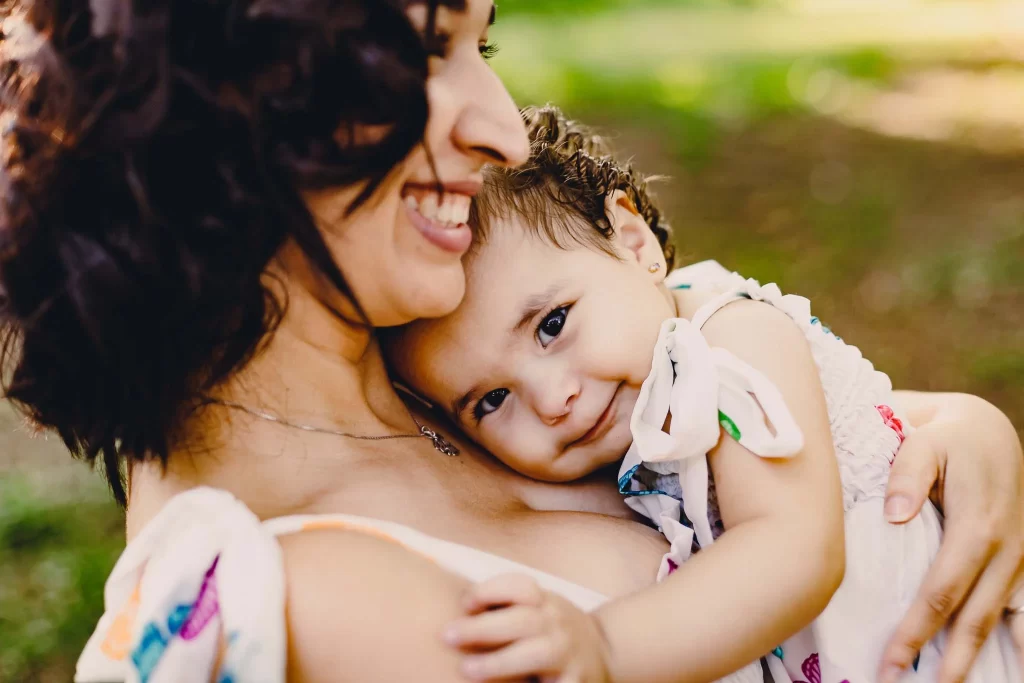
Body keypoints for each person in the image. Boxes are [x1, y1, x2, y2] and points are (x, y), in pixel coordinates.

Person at [0, 0, 1021, 681]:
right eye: (425, 53)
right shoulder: (310, 604)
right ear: (224, 110)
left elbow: (774, 425)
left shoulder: (417, 362)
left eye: (476, 49)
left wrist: (948, 437)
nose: (503, 131)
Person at [385, 104, 1024, 682]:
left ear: (633, 244)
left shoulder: (732, 341)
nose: (553, 399)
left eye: (552, 324)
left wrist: (604, 646)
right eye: (491, 400)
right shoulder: (627, 413)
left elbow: (792, 548)